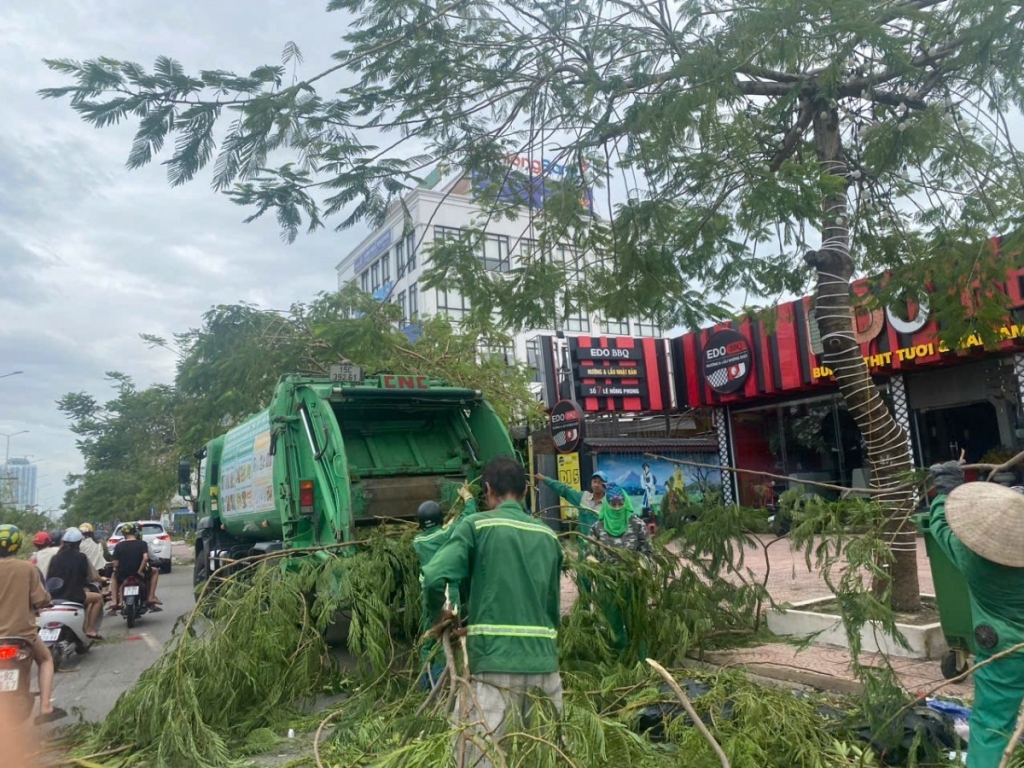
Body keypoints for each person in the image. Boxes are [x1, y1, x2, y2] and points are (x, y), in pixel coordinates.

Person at [422, 457, 563, 768]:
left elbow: (432, 576)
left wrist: (440, 614)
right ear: (526, 491)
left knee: (482, 758)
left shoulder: (477, 526)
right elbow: (552, 611)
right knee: (542, 757)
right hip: (545, 667)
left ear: (487, 490)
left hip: (494, 668)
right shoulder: (550, 537)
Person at [929, 461, 1024, 768]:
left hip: (1001, 650)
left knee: (991, 724)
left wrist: (946, 490)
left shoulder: (972, 558)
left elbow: (940, 526)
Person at [0, 524, 66, 723]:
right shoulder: (27, 568)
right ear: (18, 544)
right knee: (46, 660)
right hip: (22, 635)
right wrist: (46, 600)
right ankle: (46, 707)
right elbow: (41, 599)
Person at [413, 486, 475, 688]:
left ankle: (428, 683)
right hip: (448, 593)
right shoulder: (447, 533)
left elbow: (440, 533)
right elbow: (467, 518)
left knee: (429, 636)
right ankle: (444, 682)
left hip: (429, 595)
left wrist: (445, 524)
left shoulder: (418, 541)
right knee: (446, 636)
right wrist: (469, 498)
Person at [587, 483, 653, 655]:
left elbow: (648, 553)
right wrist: (594, 564)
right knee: (612, 622)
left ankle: (640, 660)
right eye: (613, 504)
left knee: (636, 622)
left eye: (620, 504)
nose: (616, 508)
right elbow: (589, 553)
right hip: (608, 583)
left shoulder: (637, 524)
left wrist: (642, 566)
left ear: (626, 503)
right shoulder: (597, 527)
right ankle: (618, 660)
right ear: (607, 505)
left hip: (633, 581)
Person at [46, 528, 104, 639]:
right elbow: (92, 576)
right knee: (98, 598)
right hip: (74, 595)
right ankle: (90, 629)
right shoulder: (81, 557)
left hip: (54, 595)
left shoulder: (55, 558)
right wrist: (103, 580)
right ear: (79, 543)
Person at [535, 469, 607, 533]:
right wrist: (545, 479)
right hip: (583, 545)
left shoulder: (609, 504)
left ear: (605, 485)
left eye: (600, 483)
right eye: (594, 482)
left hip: (601, 545)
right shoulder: (583, 497)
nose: (596, 485)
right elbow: (564, 490)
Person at [110, 523, 161, 611]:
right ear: (135, 532)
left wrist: (115, 568)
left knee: (114, 577)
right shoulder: (142, 544)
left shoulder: (118, 546)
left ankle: (114, 600)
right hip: (139, 573)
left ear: (123, 533)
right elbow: (145, 558)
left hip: (124, 574)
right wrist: (140, 571)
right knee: (155, 571)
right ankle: (151, 597)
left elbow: (116, 564)